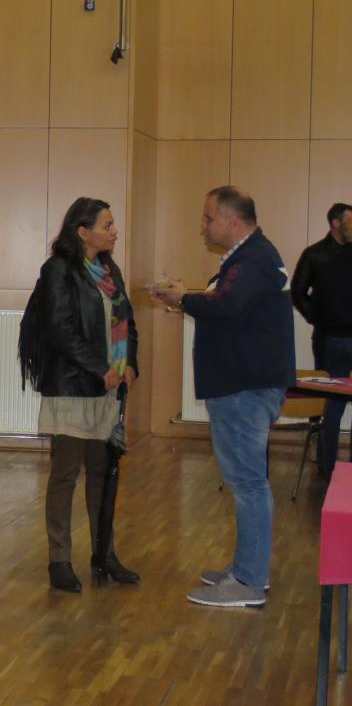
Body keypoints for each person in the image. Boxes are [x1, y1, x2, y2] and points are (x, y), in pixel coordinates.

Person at [151, 186, 294, 608]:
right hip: (243, 385)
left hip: (243, 387)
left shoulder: (253, 259)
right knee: (246, 481)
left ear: (232, 220)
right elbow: (227, 304)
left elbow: (226, 306)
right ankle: (247, 569)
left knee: (248, 483)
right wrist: (187, 297)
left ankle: (249, 582)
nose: (203, 226)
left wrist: (183, 298)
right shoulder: (250, 257)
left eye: (208, 218)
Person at [19, 198, 140, 593]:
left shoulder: (109, 270)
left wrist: (129, 362)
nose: (114, 231)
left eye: (113, 224)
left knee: (102, 474)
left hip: (108, 389)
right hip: (72, 388)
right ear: (83, 232)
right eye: (107, 225)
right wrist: (98, 367)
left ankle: (104, 553)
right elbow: (59, 328)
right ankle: (59, 560)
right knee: (65, 475)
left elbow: (127, 322)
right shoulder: (58, 270)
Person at [290, 202, 352, 476]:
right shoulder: (314, 254)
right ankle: (328, 468)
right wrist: (316, 317)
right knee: (331, 405)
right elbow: (298, 291)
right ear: (336, 223)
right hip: (330, 340)